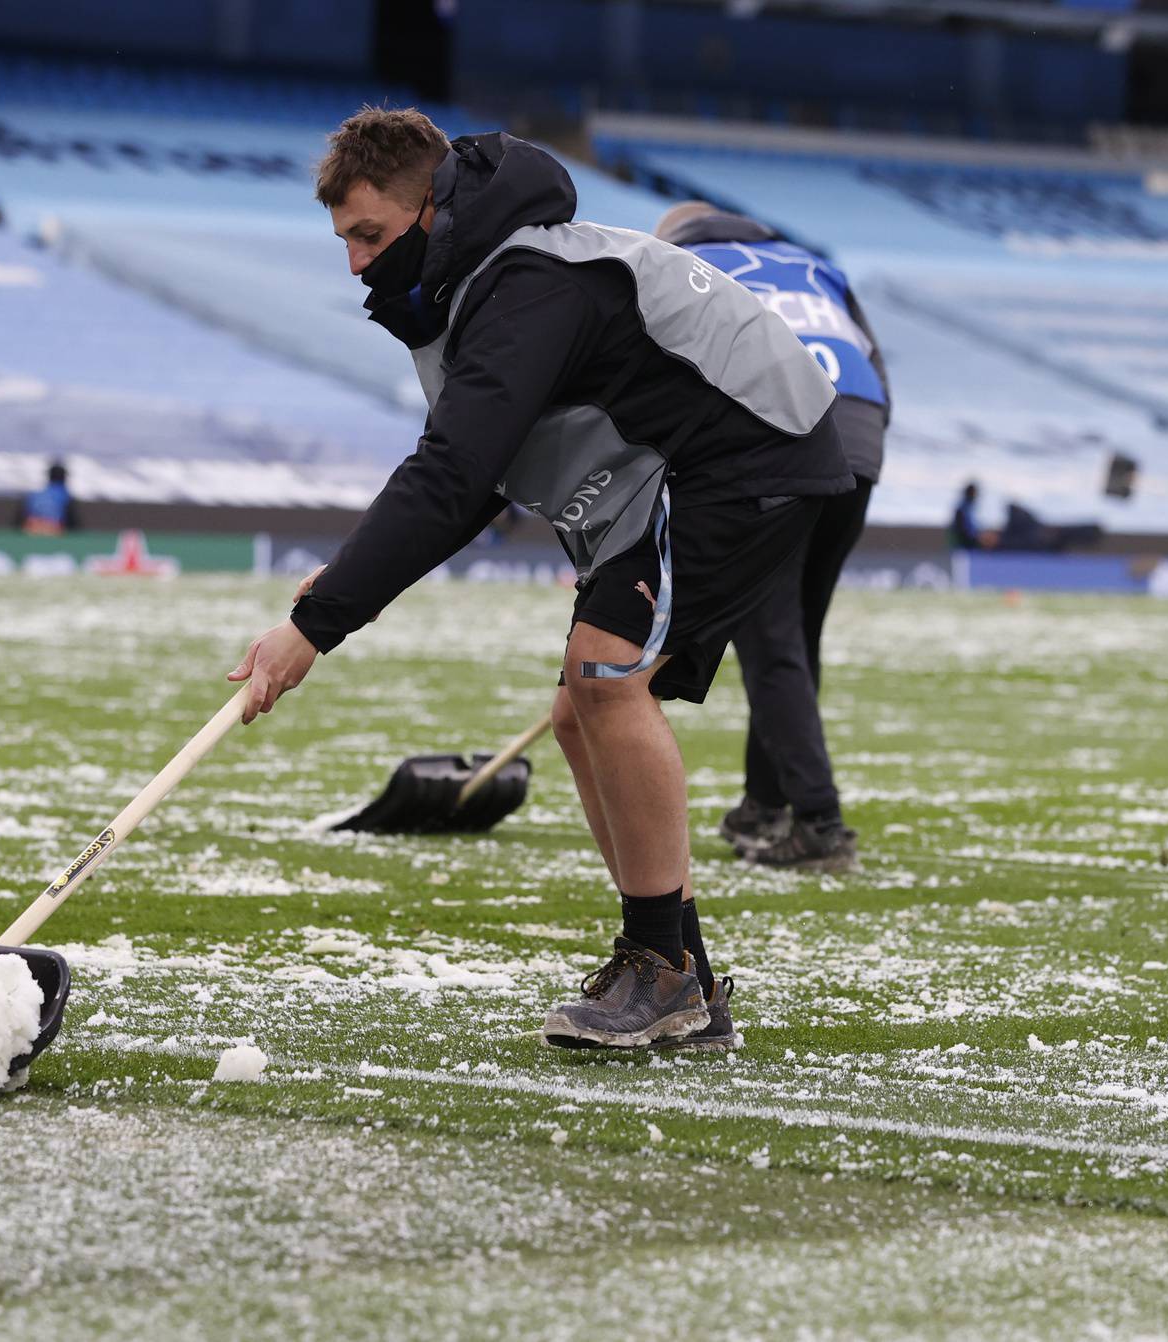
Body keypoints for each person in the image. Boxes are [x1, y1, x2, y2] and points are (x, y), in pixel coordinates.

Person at [229, 109, 851, 1051]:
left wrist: (314, 623)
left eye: (369, 236)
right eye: (345, 242)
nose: (356, 266)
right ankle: (680, 970)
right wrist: (348, 579)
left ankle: (663, 972)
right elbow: (476, 471)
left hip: (748, 460)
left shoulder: (525, 281)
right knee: (578, 710)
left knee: (605, 676)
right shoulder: (484, 281)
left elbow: (455, 475)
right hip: (682, 471)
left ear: (432, 209)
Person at [656, 202, 887, 873]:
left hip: (773, 444)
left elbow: (664, 375)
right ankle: (766, 803)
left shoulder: (678, 264)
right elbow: (878, 370)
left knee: (771, 640)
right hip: (858, 439)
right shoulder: (816, 267)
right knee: (794, 635)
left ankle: (819, 823)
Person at [18, 461, 75, 536]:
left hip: (31, 529)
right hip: (53, 530)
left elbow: (21, 517)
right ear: (64, 478)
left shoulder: (34, 495)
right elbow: (72, 521)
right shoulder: (64, 495)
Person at [949, 481, 989, 551]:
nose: (976, 496)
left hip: (970, 540)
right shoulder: (963, 509)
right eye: (974, 494)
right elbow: (965, 530)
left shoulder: (970, 508)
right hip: (966, 542)